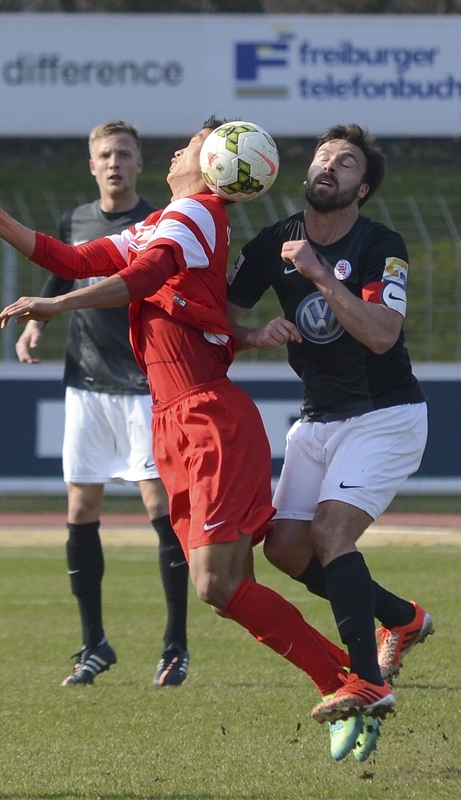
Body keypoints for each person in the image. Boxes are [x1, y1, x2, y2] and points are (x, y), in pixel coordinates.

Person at [0, 118, 385, 763]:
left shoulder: (196, 213)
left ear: (216, 165)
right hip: (177, 420)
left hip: (207, 420)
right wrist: (0, 222)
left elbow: (142, 282)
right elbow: (76, 258)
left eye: (190, 145)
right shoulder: (170, 220)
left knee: (216, 584)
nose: (176, 151)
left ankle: (350, 679)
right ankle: (354, 681)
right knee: (228, 587)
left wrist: (55, 309)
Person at [226, 124, 434, 746]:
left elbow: (381, 333)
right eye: (323, 157)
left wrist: (318, 274)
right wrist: (250, 335)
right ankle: (401, 618)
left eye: (345, 163)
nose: (329, 166)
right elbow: (221, 313)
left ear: (361, 188)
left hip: (385, 414)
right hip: (317, 419)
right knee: (286, 549)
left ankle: (367, 681)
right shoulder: (272, 242)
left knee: (330, 532)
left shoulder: (381, 244)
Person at [16, 121, 190, 688]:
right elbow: (62, 271)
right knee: (81, 509)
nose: (114, 162)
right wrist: (36, 322)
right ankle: (94, 644)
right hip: (86, 385)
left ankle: (175, 646)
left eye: (123, 153)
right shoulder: (75, 220)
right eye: (104, 155)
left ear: (140, 163)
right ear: (91, 166)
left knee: (159, 510)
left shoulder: (161, 224)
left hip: (144, 386)